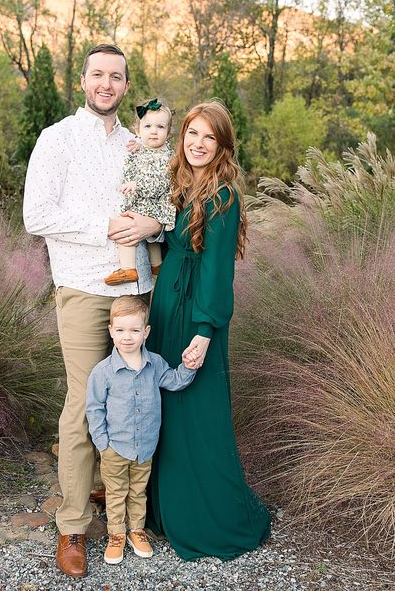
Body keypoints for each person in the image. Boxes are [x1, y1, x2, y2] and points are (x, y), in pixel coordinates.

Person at [23, 44, 163, 579]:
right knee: (84, 401)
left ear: (127, 86)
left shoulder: (139, 142)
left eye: (117, 77)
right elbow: (37, 214)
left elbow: (157, 205)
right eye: (98, 74)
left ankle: (125, 500)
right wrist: (106, 224)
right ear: (83, 80)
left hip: (137, 290)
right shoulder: (56, 139)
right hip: (82, 286)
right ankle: (73, 525)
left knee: (137, 391)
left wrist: (150, 225)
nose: (107, 83)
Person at [146, 100, 271, 560]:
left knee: (196, 413)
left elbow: (218, 270)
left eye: (209, 138)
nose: (197, 144)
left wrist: (204, 330)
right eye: (192, 134)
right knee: (165, 410)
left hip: (197, 313)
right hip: (165, 306)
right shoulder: (177, 182)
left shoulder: (223, 195)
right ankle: (163, 509)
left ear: (222, 146)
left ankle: (208, 517)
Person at [85, 295, 196, 565]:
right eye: (120, 330)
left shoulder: (155, 363)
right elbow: (94, 408)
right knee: (115, 492)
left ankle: (136, 530)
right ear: (111, 331)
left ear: (145, 332)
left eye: (134, 330)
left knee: (138, 491)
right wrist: (103, 443)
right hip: (115, 448)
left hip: (145, 446)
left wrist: (189, 367)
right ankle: (116, 534)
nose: (127, 337)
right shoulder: (103, 372)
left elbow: (173, 381)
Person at [104, 98, 176, 286]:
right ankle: (156, 265)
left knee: (127, 227)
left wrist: (138, 185)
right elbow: (143, 151)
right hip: (149, 205)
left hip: (152, 203)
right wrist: (139, 145)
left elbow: (159, 182)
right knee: (149, 237)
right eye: (148, 126)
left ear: (168, 134)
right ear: (137, 130)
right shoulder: (147, 148)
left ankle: (128, 268)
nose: (154, 131)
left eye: (160, 127)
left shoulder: (165, 157)